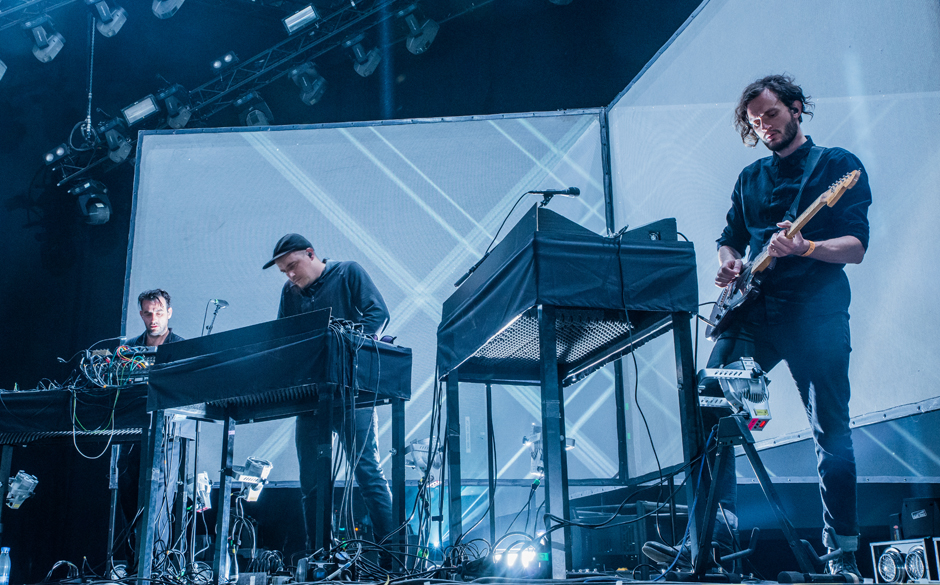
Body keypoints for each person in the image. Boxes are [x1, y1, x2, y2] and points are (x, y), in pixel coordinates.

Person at [644, 75, 871, 580]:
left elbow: (855, 246)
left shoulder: (838, 167)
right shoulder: (750, 179)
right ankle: (710, 542)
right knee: (709, 403)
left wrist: (806, 247)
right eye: (754, 122)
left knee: (830, 433)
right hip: (754, 314)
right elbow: (730, 239)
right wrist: (728, 264)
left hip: (816, 315)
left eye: (770, 114)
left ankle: (843, 558)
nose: (763, 126)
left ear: (795, 108)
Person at [262, 233, 395, 552]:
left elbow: (378, 315)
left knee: (367, 474)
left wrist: (341, 343)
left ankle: (394, 553)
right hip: (311, 398)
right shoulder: (289, 293)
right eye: (284, 272)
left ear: (311, 254)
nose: (291, 276)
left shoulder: (349, 272)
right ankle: (320, 556)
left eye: (293, 266)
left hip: (353, 392)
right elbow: (285, 337)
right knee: (311, 483)